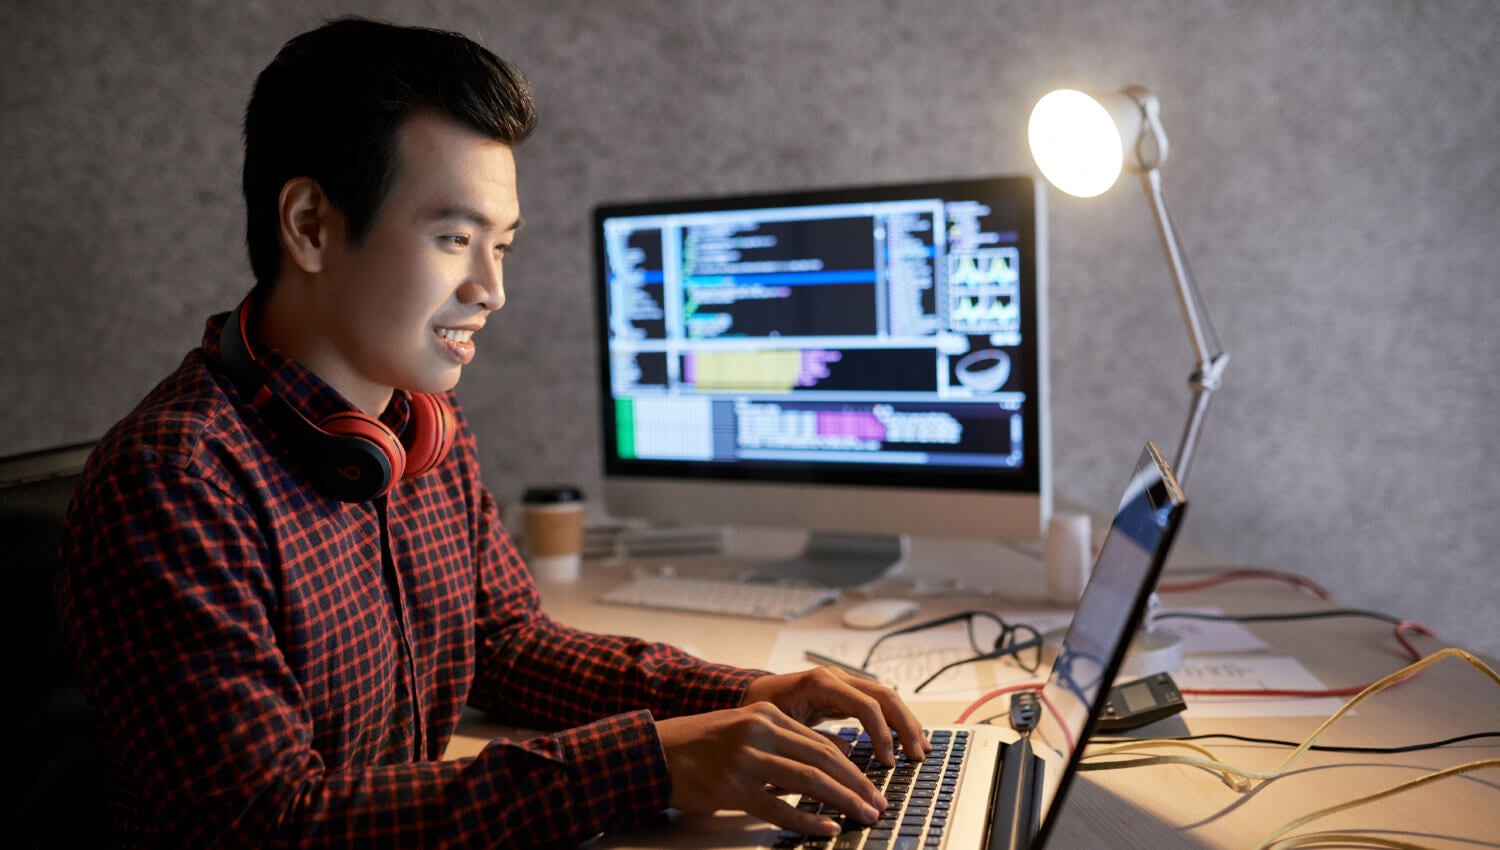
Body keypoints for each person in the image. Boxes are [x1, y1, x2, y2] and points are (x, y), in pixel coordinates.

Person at [54, 16, 930, 849]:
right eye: (453, 237)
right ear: (311, 227)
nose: (491, 290)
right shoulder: (174, 481)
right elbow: (262, 825)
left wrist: (747, 694)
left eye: (500, 245)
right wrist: (646, 764)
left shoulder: (419, 428)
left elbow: (503, 647)